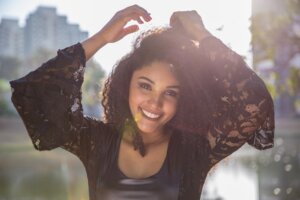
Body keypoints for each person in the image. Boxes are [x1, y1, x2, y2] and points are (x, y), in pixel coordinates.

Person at [10, 5, 274, 200]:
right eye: (145, 86)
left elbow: (254, 101)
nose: (154, 103)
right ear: (126, 85)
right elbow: (36, 91)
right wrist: (102, 38)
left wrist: (202, 35)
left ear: (184, 99)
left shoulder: (198, 147)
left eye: (170, 92)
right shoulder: (95, 141)